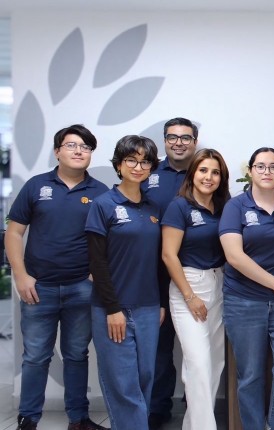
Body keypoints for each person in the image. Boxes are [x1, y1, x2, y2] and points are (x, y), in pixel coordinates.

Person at [5, 125, 109, 430]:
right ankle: (28, 420)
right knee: (36, 356)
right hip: (39, 288)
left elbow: (110, 238)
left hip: (82, 288)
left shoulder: (100, 192)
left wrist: (97, 271)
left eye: (85, 147)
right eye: (72, 145)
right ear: (57, 151)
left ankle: (78, 419)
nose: (79, 151)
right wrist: (20, 275)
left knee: (77, 355)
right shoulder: (37, 186)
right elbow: (14, 232)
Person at [219, 147, 274, 430]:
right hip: (244, 301)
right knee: (251, 375)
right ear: (250, 171)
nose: (267, 172)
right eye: (260, 166)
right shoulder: (235, 206)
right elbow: (234, 256)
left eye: (273, 167)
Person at [85, 135, 162, 430]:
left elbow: (159, 261)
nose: (138, 166)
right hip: (113, 307)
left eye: (145, 161)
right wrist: (112, 308)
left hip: (148, 307)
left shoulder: (154, 209)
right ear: (119, 164)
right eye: (131, 160)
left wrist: (161, 304)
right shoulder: (103, 205)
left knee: (144, 378)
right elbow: (97, 262)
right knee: (123, 383)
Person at [161, 149, 231, 430]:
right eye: (203, 170)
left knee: (214, 363)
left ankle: (195, 425)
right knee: (199, 364)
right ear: (192, 174)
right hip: (189, 286)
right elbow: (168, 255)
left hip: (219, 284)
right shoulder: (179, 207)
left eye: (215, 172)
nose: (208, 177)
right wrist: (190, 297)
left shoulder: (224, 206)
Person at [144, 117, 198, 429]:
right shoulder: (147, 173)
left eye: (185, 137)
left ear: (195, 141)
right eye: (172, 137)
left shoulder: (204, 172)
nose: (179, 142)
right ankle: (158, 408)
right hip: (153, 273)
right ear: (164, 141)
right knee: (159, 348)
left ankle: (196, 405)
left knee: (195, 346)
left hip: (194, 272)